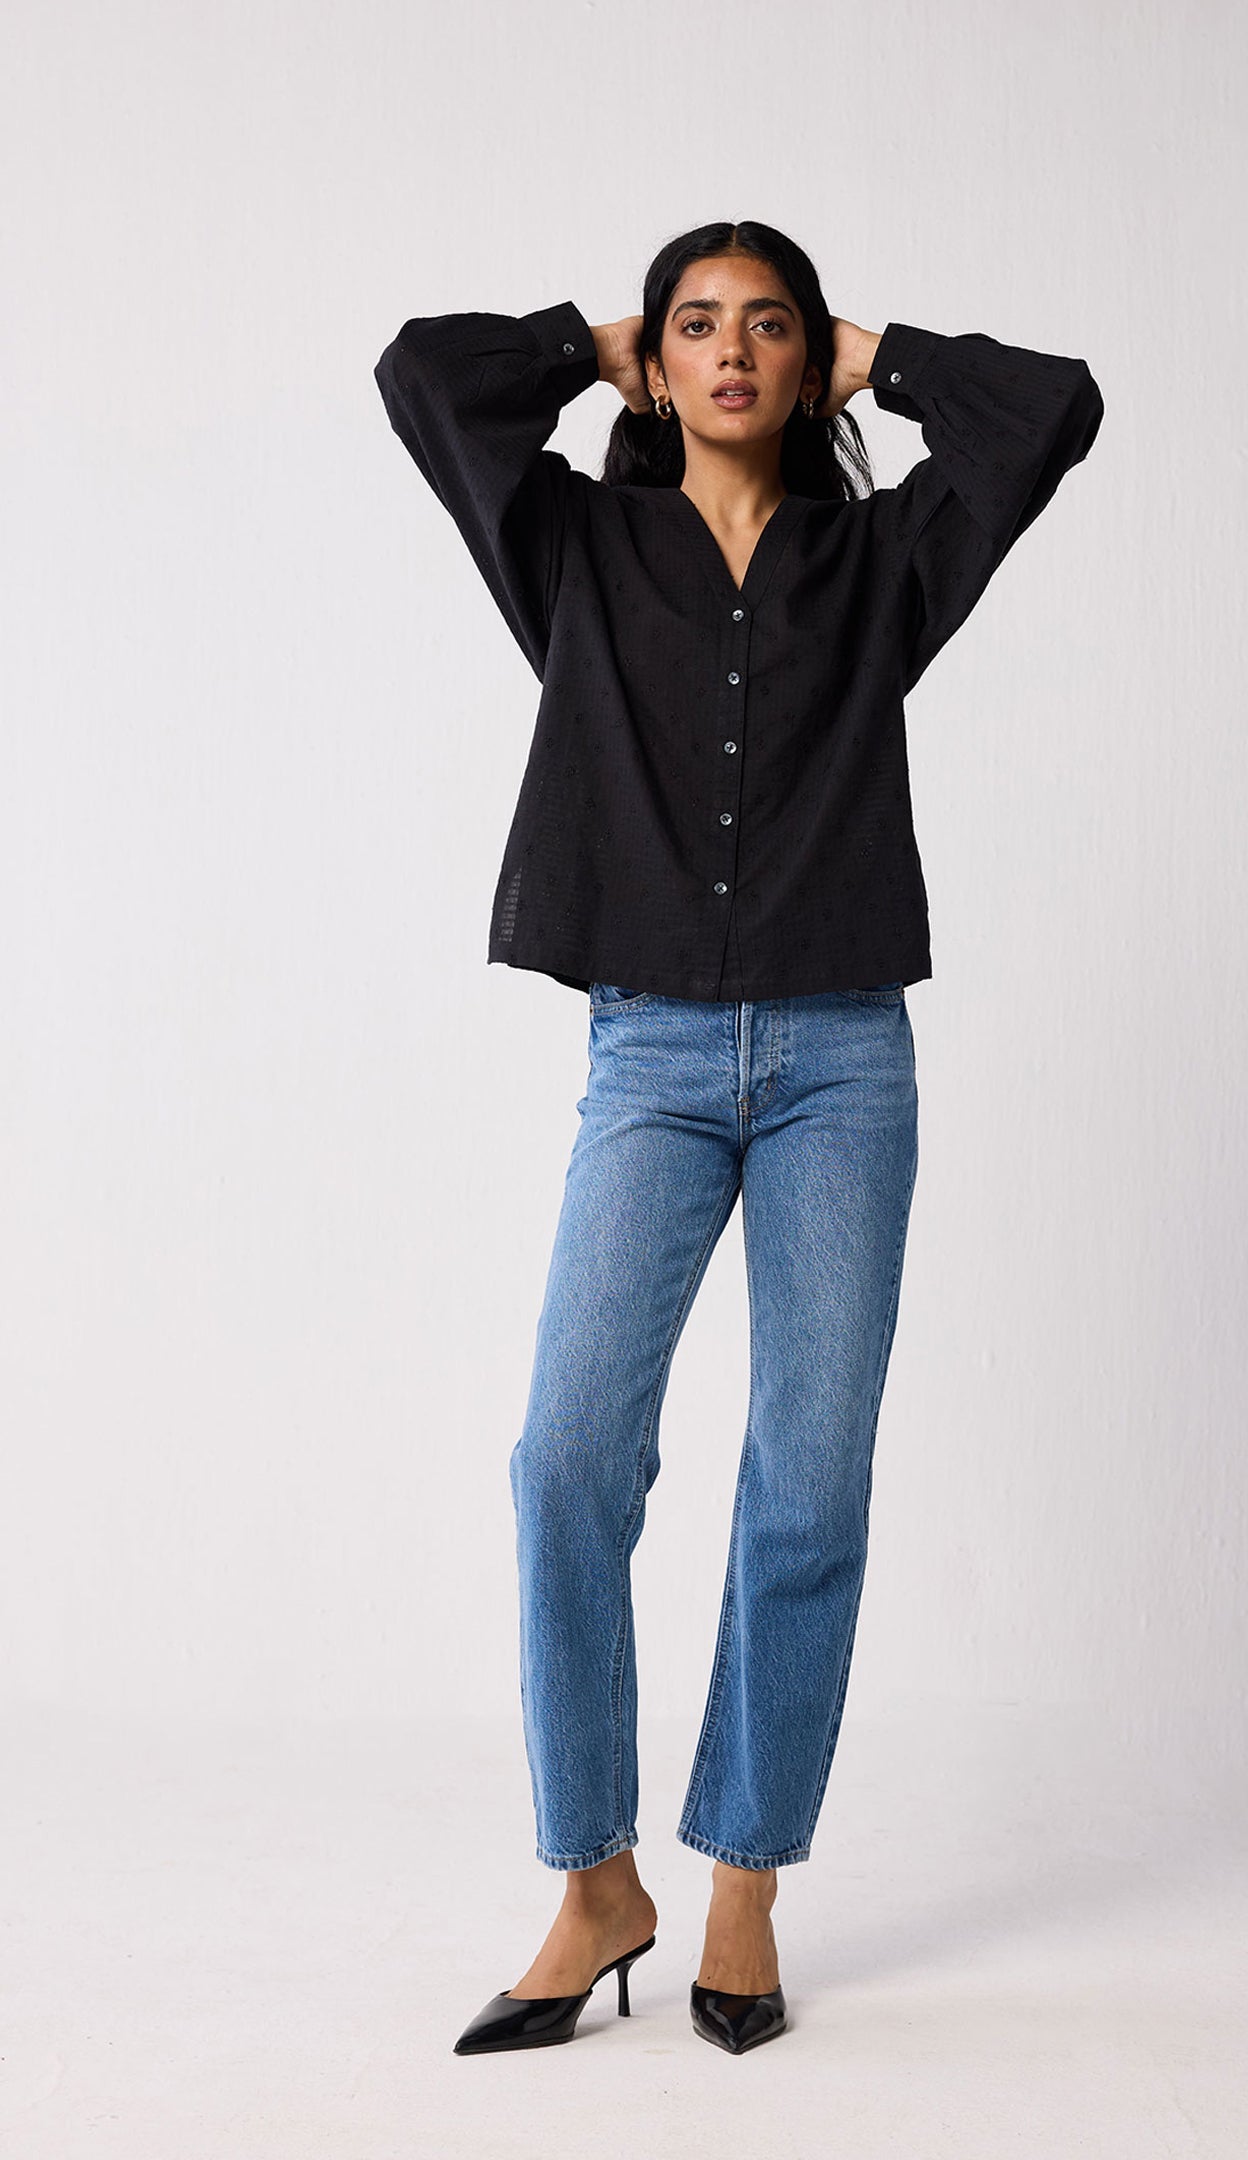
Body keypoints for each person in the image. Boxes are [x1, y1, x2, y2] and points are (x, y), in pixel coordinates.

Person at [373, 218, 1103, 2056]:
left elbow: (1055, 413)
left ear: (807, 361)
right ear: (657, 358)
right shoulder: (573, 549)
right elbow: (418, 379)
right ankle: (593, 1878)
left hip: (846, 1063)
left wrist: (884, 353)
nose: (729, 352)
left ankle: (746, 1889)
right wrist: (585, 340)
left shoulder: (885, 562)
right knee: (566, 1453)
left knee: (807, 1477)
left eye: (764, 327)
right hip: (651, 1061)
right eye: (699, 325)